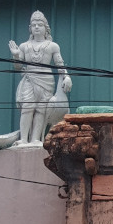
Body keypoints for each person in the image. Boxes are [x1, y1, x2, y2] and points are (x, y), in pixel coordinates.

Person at [9, 11, 72, 145]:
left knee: (41, 109)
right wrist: (15, 56)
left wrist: (66, 76)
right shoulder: (24, 46)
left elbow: (60, 64)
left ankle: (36, 139)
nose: (36, 27)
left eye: (40, 24)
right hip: (29, 80)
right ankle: (24, 140)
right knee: (27, 108)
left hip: (46, 81)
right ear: (30, 28)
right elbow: (18, 67)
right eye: (34, 25)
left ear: (45, 28)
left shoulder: (53, 46)